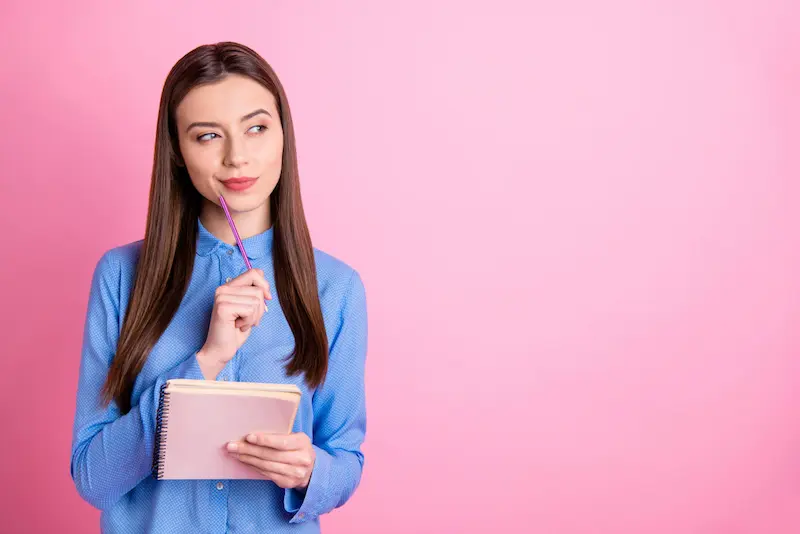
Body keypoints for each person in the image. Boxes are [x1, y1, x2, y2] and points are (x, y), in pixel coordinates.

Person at [69, 41, 368, 533]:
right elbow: (92, 479)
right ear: (179, 153)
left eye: (256, 128)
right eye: (208, 136)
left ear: (283, 136)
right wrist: (205, 361)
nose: (236, 157)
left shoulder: (336, 288)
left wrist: (312, 471)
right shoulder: (121, 276)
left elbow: (345, 459)